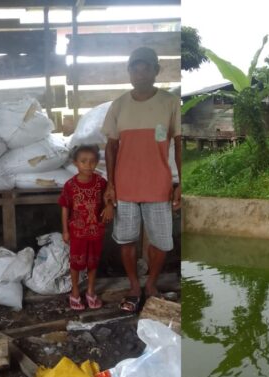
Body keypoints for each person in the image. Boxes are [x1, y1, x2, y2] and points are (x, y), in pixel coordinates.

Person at [102, 46, 181, 312]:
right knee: (126, 240)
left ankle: (152, 285)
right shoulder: (119, 105)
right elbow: (111, 147)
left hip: (158, 185)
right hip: (125, 187)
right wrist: (111, 185)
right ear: (129, 71)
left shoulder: (170, 103)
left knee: (161, 241)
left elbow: (180, 144)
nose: (140, 71)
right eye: (135, 66)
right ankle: (135, 286)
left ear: (156, 70)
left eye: (146, 66)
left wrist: (181, 182)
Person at [59, 145, 114, 311]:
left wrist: (109, 205)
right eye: (83, 161)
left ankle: (90, 291)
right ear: (76, 163)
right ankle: (75, 292)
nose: (88, 165)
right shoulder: (70, 185)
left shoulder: (101, 183)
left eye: (92, 162)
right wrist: (65, 230)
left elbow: (108, 198)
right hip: (77, 232)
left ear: (97, 162)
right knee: (76, 263)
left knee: (93, 262)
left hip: (96, 230)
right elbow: (65, 208)